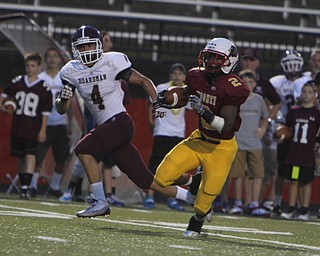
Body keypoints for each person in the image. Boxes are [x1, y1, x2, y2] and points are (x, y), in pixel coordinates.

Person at [55, 25, 190, 218]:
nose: (86, 50)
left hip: (119, 122)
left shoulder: (112, 61)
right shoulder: (71, 70)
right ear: (76, 49)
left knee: (82, 149)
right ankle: (193, 197)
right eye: (82, 47)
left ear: (99, 46)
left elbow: (144, 81)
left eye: (90, 46)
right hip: (106, 127)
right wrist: (63, 98)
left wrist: (156, 103)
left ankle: (100, 201)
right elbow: (62, 109)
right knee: (145, 180)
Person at [155, 37, 250, 236]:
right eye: (208, 56)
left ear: (228, 61)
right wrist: (167, 101)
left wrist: (204, 113)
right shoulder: (195, 76)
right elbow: (185, 96)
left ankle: (196, 221)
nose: (209, 61)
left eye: (216, 58)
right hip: (199, 139)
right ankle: (193, 182)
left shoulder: (233, 86)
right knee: (162, 178)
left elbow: (226, 126)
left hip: (221, 148)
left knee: (202, 205)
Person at [0, 52, 52, 198]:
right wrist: (4, 105)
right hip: (18, 126)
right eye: (28, 65)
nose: (30, 68)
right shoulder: (18, 82)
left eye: (33, 66)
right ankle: (23, 186)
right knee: (20, 157)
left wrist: (42, 130)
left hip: (33, 127)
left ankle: (25, 188)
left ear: (39, 67)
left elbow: (46, 111)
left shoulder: (43, 86)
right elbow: (4, 95)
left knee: (30, 155)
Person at [270, 50, 310, 216]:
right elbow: (272, 103)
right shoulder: (277, 82)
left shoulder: (306, 81)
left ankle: (301, 208)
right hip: (286, 129)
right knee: (282, 170)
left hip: (303, 132)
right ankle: (278, 204)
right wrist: (275, 124)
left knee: (300, 173)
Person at [143, 63, 188, 211]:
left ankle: (171, 198)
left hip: (178, 133)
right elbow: (150, 105)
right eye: (174, 73)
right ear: (170, 75)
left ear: (184, 76)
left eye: (180, 74)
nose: (177, 76)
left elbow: (193, 107)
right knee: (155, 165)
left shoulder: (186, 91)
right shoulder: (162, 87)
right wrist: (152, 123)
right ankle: (149, 196)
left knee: (175, 168)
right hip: (162, 131)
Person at [30, 47, 72, 198]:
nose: (52, 59)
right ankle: (33, 185)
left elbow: (70, 102)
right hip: (44, 123)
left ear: (59, 59)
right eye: (49, 56)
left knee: (62, 157)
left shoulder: (64, 77)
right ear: (45, 59)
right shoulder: (40, 78)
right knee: (38, 156)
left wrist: (69, 122)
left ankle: (54, 186)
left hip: (60, 122)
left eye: (55, 56)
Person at [228, 69, 269, 216]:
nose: (248, 84)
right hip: (238, 141)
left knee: (257, 174)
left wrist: (262, 130)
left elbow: (265, 117)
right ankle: (238, 203)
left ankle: (254, 203)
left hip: (255, 143)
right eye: (245, 81)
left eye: (251, 82)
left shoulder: (258, 99)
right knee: (238, 174)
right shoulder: (236, 98)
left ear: (255, 84)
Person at [280, 82, 320, 220]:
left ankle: (304, 210)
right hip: (295, 154)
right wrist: (281, 135)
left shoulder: (317, 114)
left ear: (315, 95)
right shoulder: (294, 111)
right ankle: (291, 208)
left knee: (307, 182)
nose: (306, 95)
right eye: (304, 92)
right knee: (294, 181)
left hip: (308, 154)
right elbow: (286, 128)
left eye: (310, 92)